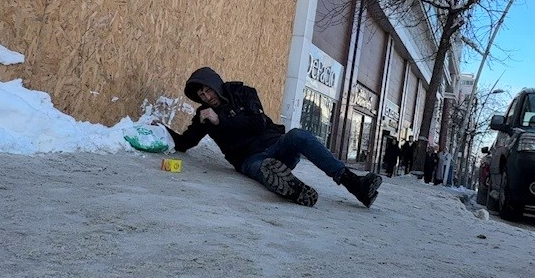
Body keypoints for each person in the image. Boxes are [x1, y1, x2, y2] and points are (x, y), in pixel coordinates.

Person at [160, 67, 383, 209]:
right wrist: (162, 130)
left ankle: (355, 184)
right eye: (201, 95)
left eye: (208, 90)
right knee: (265, 167)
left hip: (278, 145)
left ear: (216, 84)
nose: (207, 97)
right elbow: (185, 143)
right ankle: (297, 191)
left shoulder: (244, 93)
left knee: (298, 135)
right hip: (250, 159)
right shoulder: (203, 115)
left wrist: (222, 120)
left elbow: (257, 123)